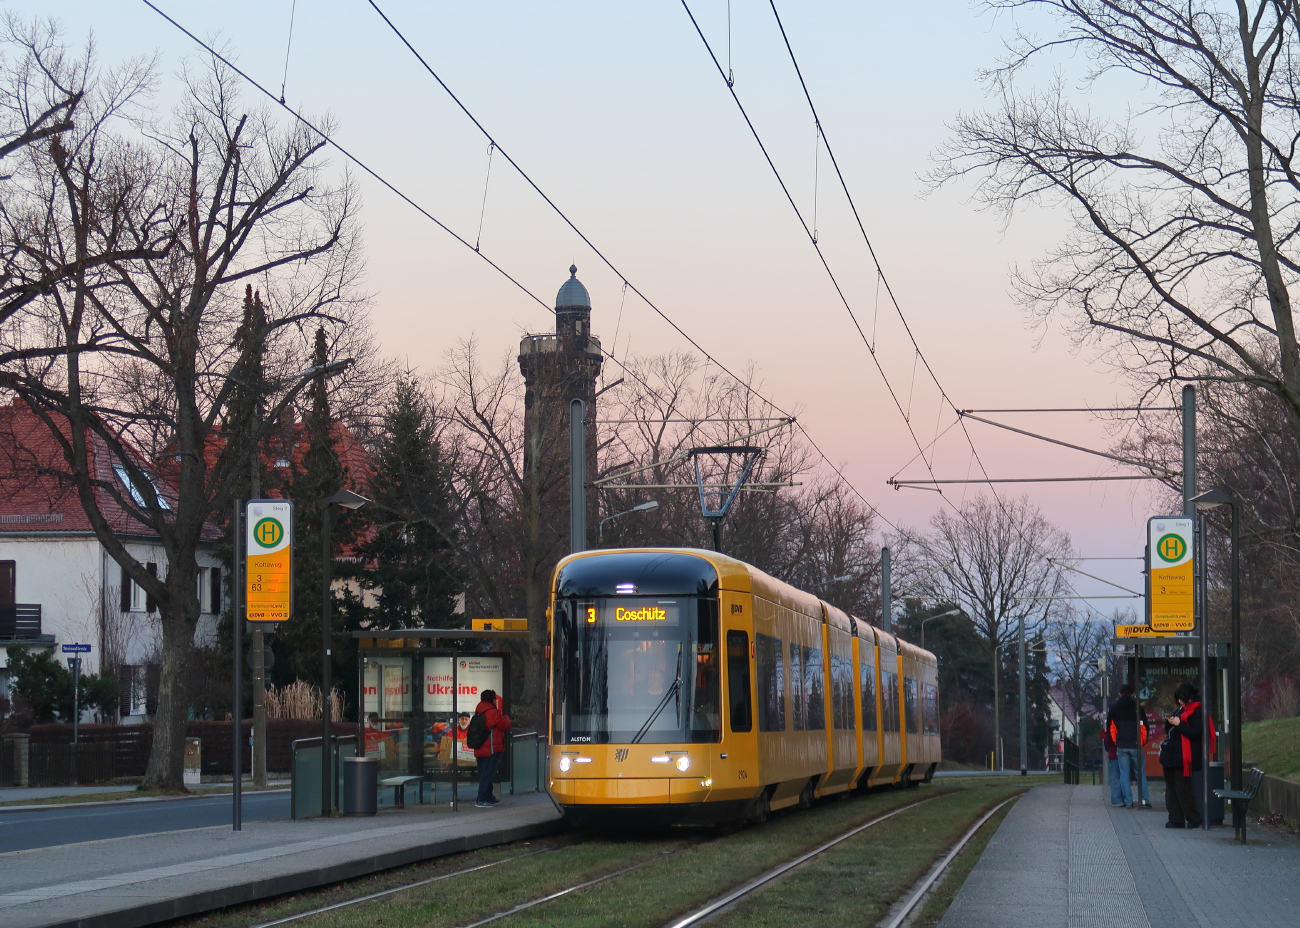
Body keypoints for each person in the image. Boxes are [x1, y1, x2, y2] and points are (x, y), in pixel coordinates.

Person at [1162, 682, 1216, 829]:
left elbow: (1195, 733)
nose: (1179, 701)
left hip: (1184, 758)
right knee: (1171, 789)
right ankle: (1176, 818)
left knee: (1183, 790)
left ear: (1190, 698)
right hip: (1171, 756)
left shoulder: (1197, 712)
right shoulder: (1180, 711)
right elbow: (1168, 730)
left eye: (1182, 698)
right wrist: (1170, 723)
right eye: (1178, 698)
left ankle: (1193, 818)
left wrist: (1179, 724)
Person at [1106, 683, 1151, 808]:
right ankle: (1144, 800)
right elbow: (1144, 726)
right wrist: (1142, 741)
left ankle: (1128, 801)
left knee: (1124, 773)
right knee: (1140, 772)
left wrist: (1117, 741)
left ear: (1120, 694)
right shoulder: (1137, 708)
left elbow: (1110, 728)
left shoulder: (1114, 708)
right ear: (1132, 694)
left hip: (1121, 744)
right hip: (1136, 744)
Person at [472, 689, 511, 808]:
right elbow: (505, 725)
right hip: (491, 748)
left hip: (480, 747)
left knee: (484, 773)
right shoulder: (493, 712)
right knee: (488, 774)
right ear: (492, 699)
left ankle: (489, 796)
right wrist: (506, 717)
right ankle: (482, 798)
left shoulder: (479, 710)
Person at [1103, 727, 1123, 806]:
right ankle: (1126, 798)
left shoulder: (1112, 726)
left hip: (1114, 753)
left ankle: (1116, 798)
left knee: (1115, 776)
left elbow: (1107, 741)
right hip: (1126, 749)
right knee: (1124, 775)